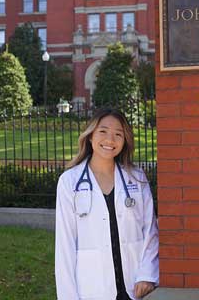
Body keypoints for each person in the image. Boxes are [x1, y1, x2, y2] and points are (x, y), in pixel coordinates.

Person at [55, 108, 159, 300]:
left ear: (125, 140)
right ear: (90, 135)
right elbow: (65, 246)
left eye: (118, 134)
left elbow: (150, 230)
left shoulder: (136, 178)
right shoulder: (69, 182)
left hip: (134, 286)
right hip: (92, 289)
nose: (110, 140)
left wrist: (147, 274)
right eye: (103, 131)